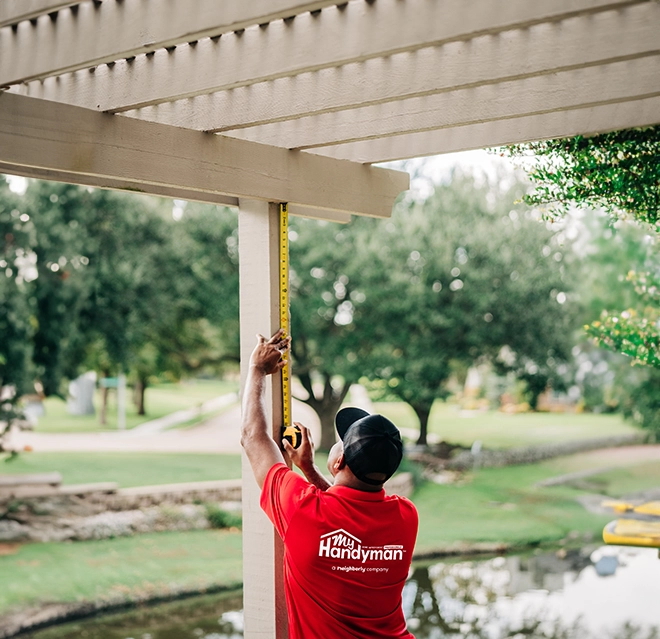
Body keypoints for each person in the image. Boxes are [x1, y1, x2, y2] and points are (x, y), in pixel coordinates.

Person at [241, 329, 418, 638]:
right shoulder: (405, 517)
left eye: (340, 442)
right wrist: (307, 469)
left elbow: (252, 438)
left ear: (338, 462)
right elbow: (347, 523)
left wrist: (257, 369)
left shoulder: (302, 508)